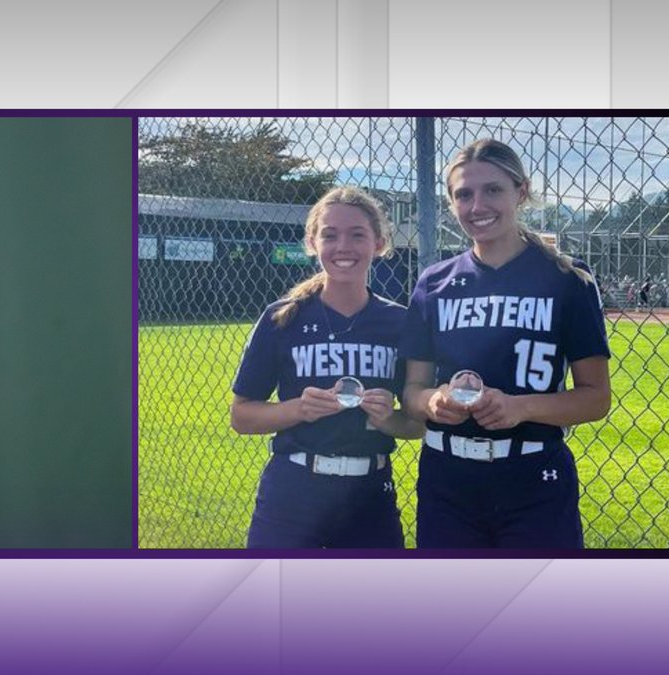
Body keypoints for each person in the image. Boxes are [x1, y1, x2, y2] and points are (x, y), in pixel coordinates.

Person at [400, 138, 611, 548]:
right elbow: (410, 391)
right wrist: (433, 402)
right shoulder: (434, 283)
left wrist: (520, 407)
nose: (477, 206)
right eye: (464, 194)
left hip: (534, 478)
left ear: (521, 192)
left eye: (492, 189)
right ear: (452, 203)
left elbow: (596, 398)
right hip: (448, 478)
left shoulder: (567, 279)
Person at [231, 186, 424, 549]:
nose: (343, 247)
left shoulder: (400, 323)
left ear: (380, 243)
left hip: (369, 491)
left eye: (357, 235)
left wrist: (388, 418)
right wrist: (299, 409)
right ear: (311, 242)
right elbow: (242, 416)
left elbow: (414, 426)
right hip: (293, 489)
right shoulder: (282, 317)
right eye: (330, 235)